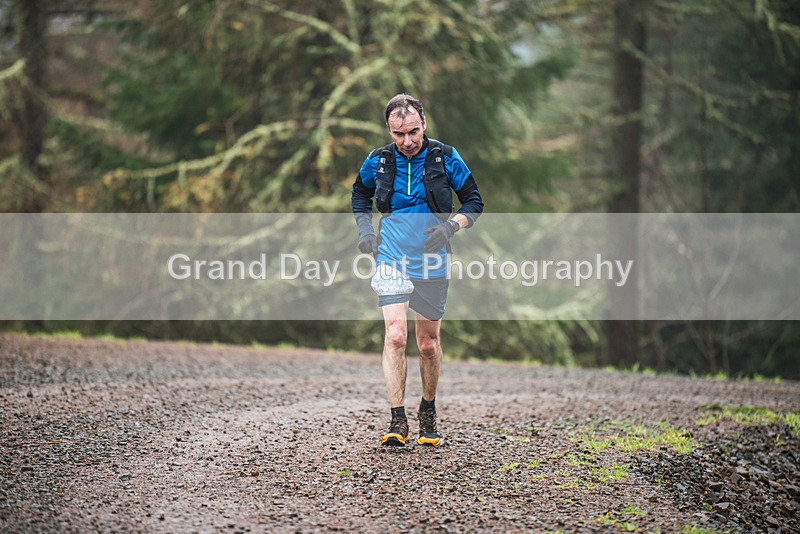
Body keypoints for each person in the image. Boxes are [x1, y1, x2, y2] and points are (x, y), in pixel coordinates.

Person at [351, 94, 484, 446]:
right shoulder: (379, 160)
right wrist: (366, 232)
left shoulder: (445, 156)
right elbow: (359, 195)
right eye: (398, 134)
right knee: (395, 335)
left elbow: (474, 201)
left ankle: (428, 410)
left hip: (432, 259)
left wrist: (450, 227)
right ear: (389, 130)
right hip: (391, 255)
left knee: (427, 344)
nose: (407, 141)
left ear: (424, 124)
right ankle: (398, 419)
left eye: (413, 132)